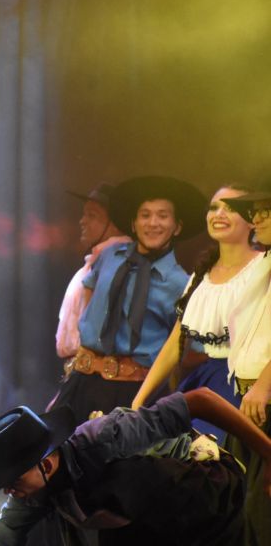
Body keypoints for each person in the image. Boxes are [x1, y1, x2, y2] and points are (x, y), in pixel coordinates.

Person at [0, 387, 271, 545]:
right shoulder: (34, 489)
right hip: (150, 515)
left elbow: (202, 400)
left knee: (116, 484)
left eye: (14, 481)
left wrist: (269, 454)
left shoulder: (104, 437)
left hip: (204, 488)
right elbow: (7, 526)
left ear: (45, 463)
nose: (8, 490)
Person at [49, 175, 206, 425]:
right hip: (82, 381)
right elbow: (88, 307)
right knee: (57, 454)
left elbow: (193, 351)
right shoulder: (109, 256)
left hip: (135, 391)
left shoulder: (181, 284)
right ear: (133, 223)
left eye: (163, 216)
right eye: (145, 215)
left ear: (177, 226)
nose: (153, 223)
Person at [132, 185, 266, 442]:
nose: (219, 214)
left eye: (231, 208)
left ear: (251, 220)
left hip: (246, 386)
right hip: (207, 381)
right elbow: (175, 345)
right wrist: (137, 403)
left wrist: (261, 388)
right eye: (214, 207)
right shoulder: (202, 274)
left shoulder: (264, 266)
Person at [215, 189, 271, 544]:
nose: (258, 218)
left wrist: (263, 386)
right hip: (249, 398)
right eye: (256, 211)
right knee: (241, 509)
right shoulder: (263, 267)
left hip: (263, 397)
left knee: (260, 511)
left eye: (267, 211)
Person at [56, 183, 130, 363]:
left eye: (92, 215)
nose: (82, 220)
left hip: (95, 370)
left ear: (114, 224)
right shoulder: (93, 264)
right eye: (84, 214)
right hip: (79, 368)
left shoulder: (119, 265)